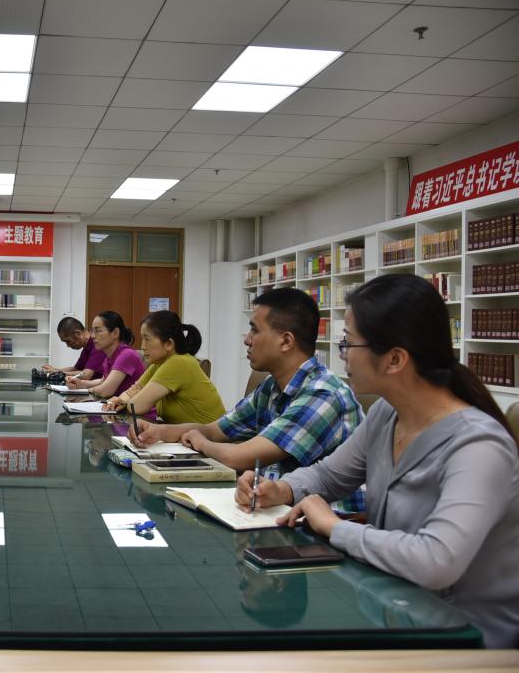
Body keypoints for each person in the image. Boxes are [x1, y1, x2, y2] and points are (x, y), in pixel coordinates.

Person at [236, 274, 519, 648]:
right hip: (396, 610)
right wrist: (281, 489)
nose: (342, 355)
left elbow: (436, 561)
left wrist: (334, 527)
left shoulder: (478, 446)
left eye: (348, 343)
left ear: (395, 359)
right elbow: (330, 475)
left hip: (468, 639)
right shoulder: (388, 414)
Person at [135, 287, 362, 477]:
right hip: (281, 503)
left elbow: (239, 457)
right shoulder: (270, 388)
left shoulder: (322, 394)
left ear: (286, 341)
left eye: (254, 330)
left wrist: (201, 443)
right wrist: (159, 431)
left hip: (326, 514)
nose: (247, 340)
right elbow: (214, 430)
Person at [105, 310, 224, 424]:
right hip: (187, 434)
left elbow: (137, 406)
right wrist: (121, 400)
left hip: (210, 436)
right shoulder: (159, 364)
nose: (142, 346)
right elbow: (133, 391)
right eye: (142, 338)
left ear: (169, 344)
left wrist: (125, 401)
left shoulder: (178, 363)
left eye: (147, 339)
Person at [65, 311, 144, 398]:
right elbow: (102, 381)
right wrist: (81, 384)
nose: (92, 336)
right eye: (92, 331)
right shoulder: (109, 356)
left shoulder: (127, 355)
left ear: (115, 333)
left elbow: (105, 391)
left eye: (98, 331)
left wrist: (89, 389)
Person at [41, 316, 105, 379]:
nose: (68, 345)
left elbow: (86, 375)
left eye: (68, 341)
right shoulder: (87, 346)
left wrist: (56, 373)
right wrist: (55, 370)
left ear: (77, 333)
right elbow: (76, 369)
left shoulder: (97, 345)